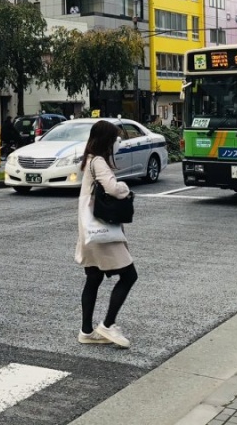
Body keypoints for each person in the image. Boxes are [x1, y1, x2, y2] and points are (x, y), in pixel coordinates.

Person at [75, 120, 138, 348]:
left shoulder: (89, 160)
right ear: (106, 141)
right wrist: (125, 188)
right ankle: (107, 324)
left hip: (88, 227)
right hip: (102, 229)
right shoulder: (99, 161)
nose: (115, 143)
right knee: (129, 275)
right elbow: (112, 188)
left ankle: (86, 331)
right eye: (113, 139)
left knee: (93, 277)